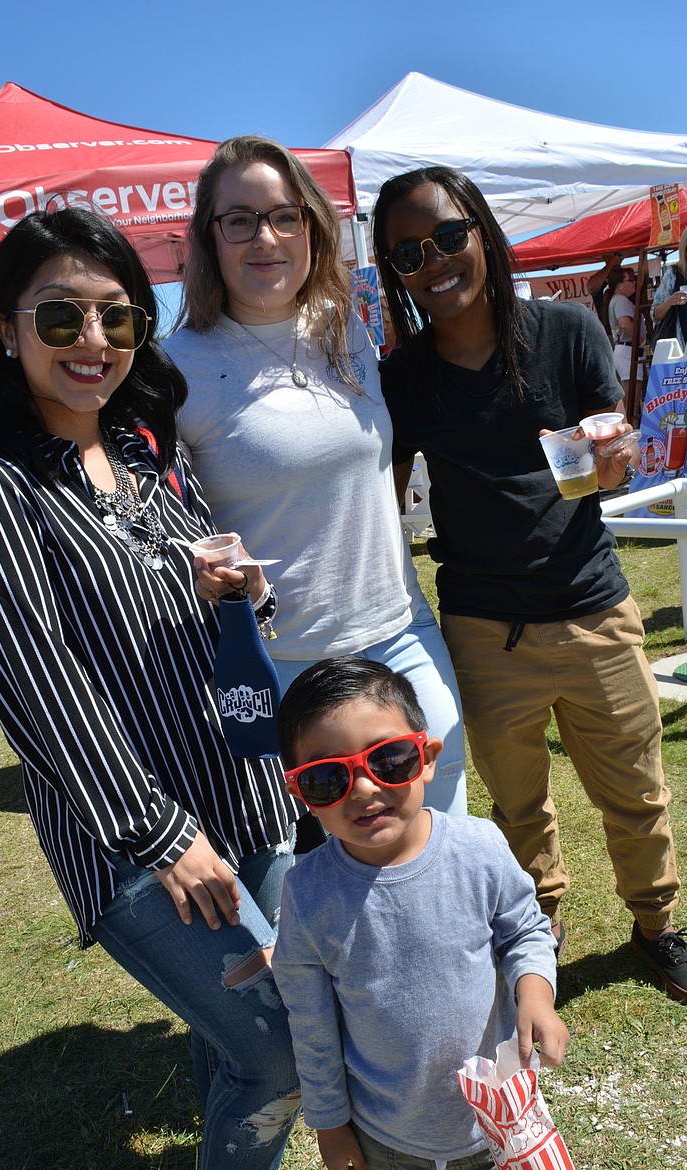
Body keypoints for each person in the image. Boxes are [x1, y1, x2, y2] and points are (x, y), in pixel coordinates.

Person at [0, 207, 327, 1170]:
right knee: (278, 1050)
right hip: (140, 836)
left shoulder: (148, 459)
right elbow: (35, 686)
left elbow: (205, 614)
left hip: (248, 801)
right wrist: (160, 837)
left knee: (232, 1028)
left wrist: (246, 588)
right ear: (4, 327)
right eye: (62, 315)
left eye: (117, 317)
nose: (93, 340)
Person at [371, 165, 687, 1008]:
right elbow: (382, 487)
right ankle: (538, 924)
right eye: (409, 252)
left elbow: (612, 442)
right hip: (485, 629)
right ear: (394, 271)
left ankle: (656, 923)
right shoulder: (404, 375)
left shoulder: (565, 330)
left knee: (635, 789)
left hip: (592, 606)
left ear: (482, 231)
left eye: (449, 235)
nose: (435, 260)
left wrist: (614, 451)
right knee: (519, 806)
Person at [164, 135, 467, 819]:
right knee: (346, 856)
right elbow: (161, 522)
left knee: (441, 814)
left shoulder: (343, 326)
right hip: (288, 661)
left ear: (311, 227)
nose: (263, 236)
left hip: (399, 627)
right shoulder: (174, 367)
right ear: (209, 238)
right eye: (238, 219)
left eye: (284, 215)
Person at [272, 656, 570, 1170]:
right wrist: (330, 1125)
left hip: (496, 1125)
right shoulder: (307, 893)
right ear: (299, 792)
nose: (364, 789)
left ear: (428, 756)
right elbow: (311, 1023)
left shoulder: (479, 848)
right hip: (387, 1139)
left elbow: (525, 930)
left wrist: (535, 993)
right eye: (329, 778)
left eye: (389, 760)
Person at [606, 265, 648, 410]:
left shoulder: (616, 300)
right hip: (628, 351)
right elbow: (625, 324)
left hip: (625, 349)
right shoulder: (621, 300)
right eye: (631, 280)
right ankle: (630, 429)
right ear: (620, 285)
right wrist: (642, 340)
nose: (634, 283)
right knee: (631, 402)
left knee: (631, 401)